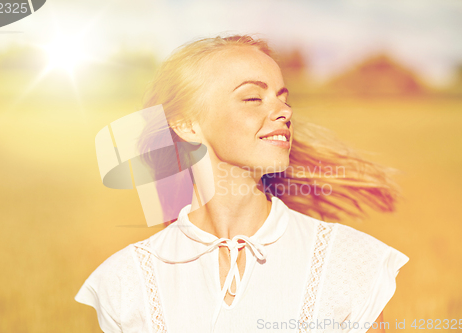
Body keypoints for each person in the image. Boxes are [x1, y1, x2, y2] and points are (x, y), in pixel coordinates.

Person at [75, 35, 409, 333]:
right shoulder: (125, 281)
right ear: (187, 124)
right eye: (252, 98)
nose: (283, 111)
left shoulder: (350, 262)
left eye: (282, 97)